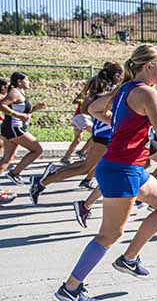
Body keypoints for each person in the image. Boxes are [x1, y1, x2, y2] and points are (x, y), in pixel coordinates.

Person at [54, 44, 157, 301]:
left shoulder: (123, 89)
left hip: (132, 168)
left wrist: (118, 122)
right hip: (120, 169)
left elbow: (93, 109)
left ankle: (129, 259)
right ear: (149, 66)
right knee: (110, 234)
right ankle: (71, 287)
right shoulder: (146, 93)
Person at [29, 62, 124, 205]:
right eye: (121, 76)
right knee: (86, 167)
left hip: (105, 132)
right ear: (117, 75)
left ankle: (52, 173)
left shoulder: (108, 89)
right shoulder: (110, 91)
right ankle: (41, 182)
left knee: (91, 165)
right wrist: (106, 113)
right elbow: (87, 108)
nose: (123, 78)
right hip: (104, 133)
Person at [0, 72, 46, 186]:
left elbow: (23, 112)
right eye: (27, 80)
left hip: (11, 128)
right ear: (19, 82)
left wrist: (35, 108)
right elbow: (2, 105)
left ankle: (14, 173)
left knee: (7, 159)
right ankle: (14, 173)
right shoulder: (15, 92)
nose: (29, 82)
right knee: (37, 150)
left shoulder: (20, 92)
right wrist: (18, 116)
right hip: (14, 128)